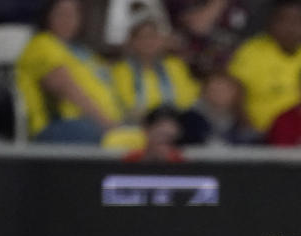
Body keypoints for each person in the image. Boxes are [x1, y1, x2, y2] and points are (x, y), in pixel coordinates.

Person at [15, 0, 122, 143]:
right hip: (62, 126)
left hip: (105, 124)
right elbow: (68, 90)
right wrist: (109, 126)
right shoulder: (42, 44)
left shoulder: (83, 53)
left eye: (73, 14)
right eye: (62, 14)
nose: (68, 20)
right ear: (47, 17)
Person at [227, 0, 301, 134]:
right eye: (284, 20)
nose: (291, 27)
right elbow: (233, 94)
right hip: (258, 136)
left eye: (298, 21)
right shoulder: (251, 52)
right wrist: (249, 128)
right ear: (270, 23)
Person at [111, 12, 199, 124]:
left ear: (162, 40)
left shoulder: (175, 65)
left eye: (153, 36)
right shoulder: (121, 70)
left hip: (177, 122)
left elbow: (188, 99)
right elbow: (127, 105)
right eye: (142, 37)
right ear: (132, 42)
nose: (148, 42)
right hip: (140, 124)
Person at [178, 70, 258, 145]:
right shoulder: (190, 120)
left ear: (236, 94)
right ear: (204, 93)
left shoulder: (242, 122)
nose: (218, 94)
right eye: (214, 90)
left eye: (224, 90)